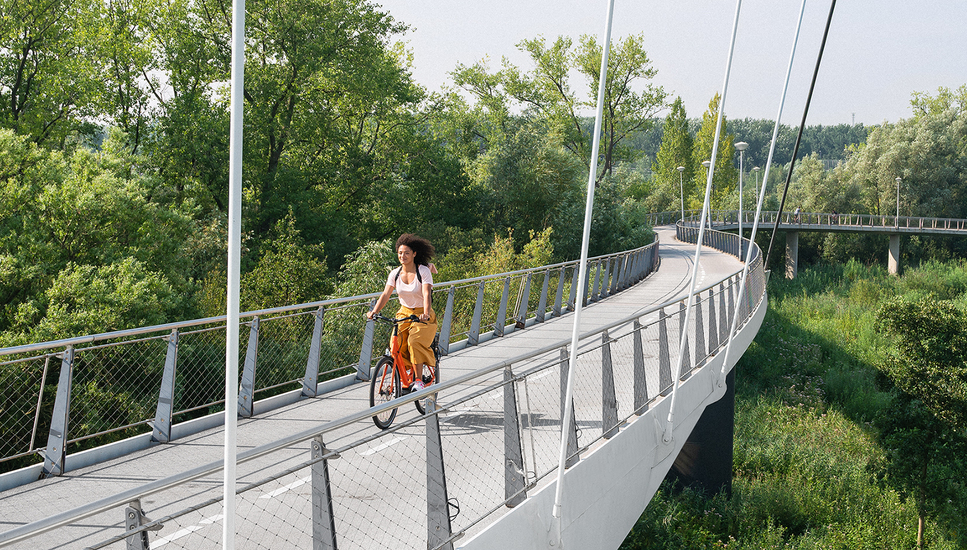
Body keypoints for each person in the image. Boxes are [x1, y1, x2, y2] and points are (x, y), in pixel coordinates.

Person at [366, 234, 438, 391]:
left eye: (406, 253)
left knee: (414, 341)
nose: (402, 256)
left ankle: (418, 380)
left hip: (422, 314)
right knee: (395, 343)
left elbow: (426, 294)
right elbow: (385, 294)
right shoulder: (395, 273)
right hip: (404, 313)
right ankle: (405, 372)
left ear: (414, 254)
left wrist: (425, 313)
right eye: (399, 253)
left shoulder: (423, 271)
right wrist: (374, 311)